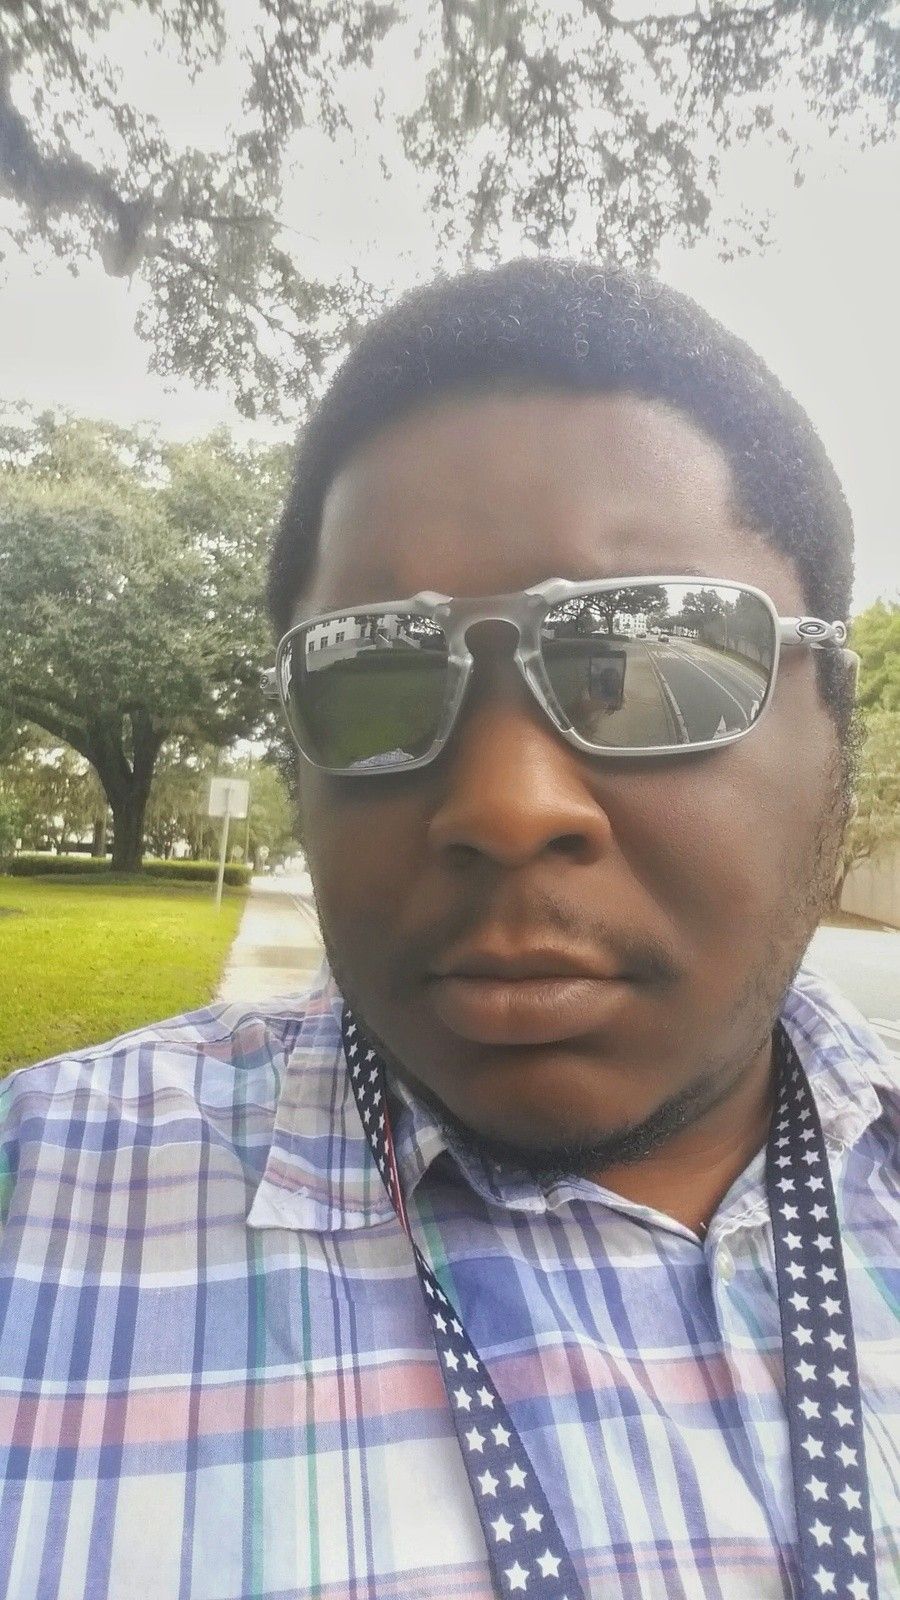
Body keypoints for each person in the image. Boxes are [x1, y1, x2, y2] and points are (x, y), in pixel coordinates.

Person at [0, 259, 896, 1600]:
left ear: (835, 725)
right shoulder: (36, 1205)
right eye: (373, 676)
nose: (506, 804)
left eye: (642, 663)